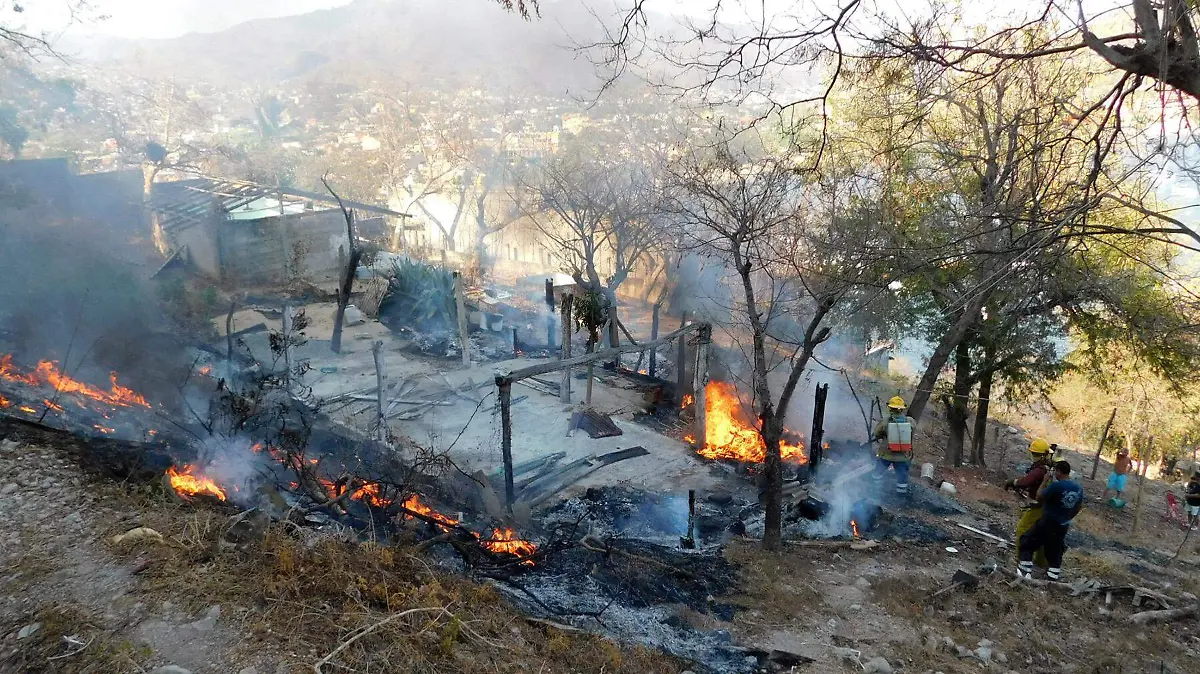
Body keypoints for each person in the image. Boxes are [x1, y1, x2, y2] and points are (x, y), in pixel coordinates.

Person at [1018, 460, 1083, 581]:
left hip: (1048, 521)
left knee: (1027, 542)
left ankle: (1024, 572)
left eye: (1055, 471)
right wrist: (1067, 518)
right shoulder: (1078, 488)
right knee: (1054, 550)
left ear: (1058, 471)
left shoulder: (1057, 486)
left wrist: (1044, 480)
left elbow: (1039, 496)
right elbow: (1078, 507)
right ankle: (1052, 578)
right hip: (1063, 525)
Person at [1004, 438, 1056, 568]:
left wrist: (1014, 482)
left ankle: (1020, 558)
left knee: (1023, 528)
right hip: (1047, 506)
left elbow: (1027, 481)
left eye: (1035, 454)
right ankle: (1041, 561)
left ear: (1041, 455)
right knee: (1041, 533)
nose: (1033, 456)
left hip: (1039, 506)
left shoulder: (1039, 470)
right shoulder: (1048, 466)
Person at [872, 396, 914, 496]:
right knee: (902, 476)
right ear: (902, 408)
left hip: (886, 453)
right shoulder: (910, 421)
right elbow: (911, 434)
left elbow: (877, 433)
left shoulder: (886, 421)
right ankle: (900, 496)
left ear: (890, 408)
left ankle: (876, 491)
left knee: (878, 472)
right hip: (902, 455)